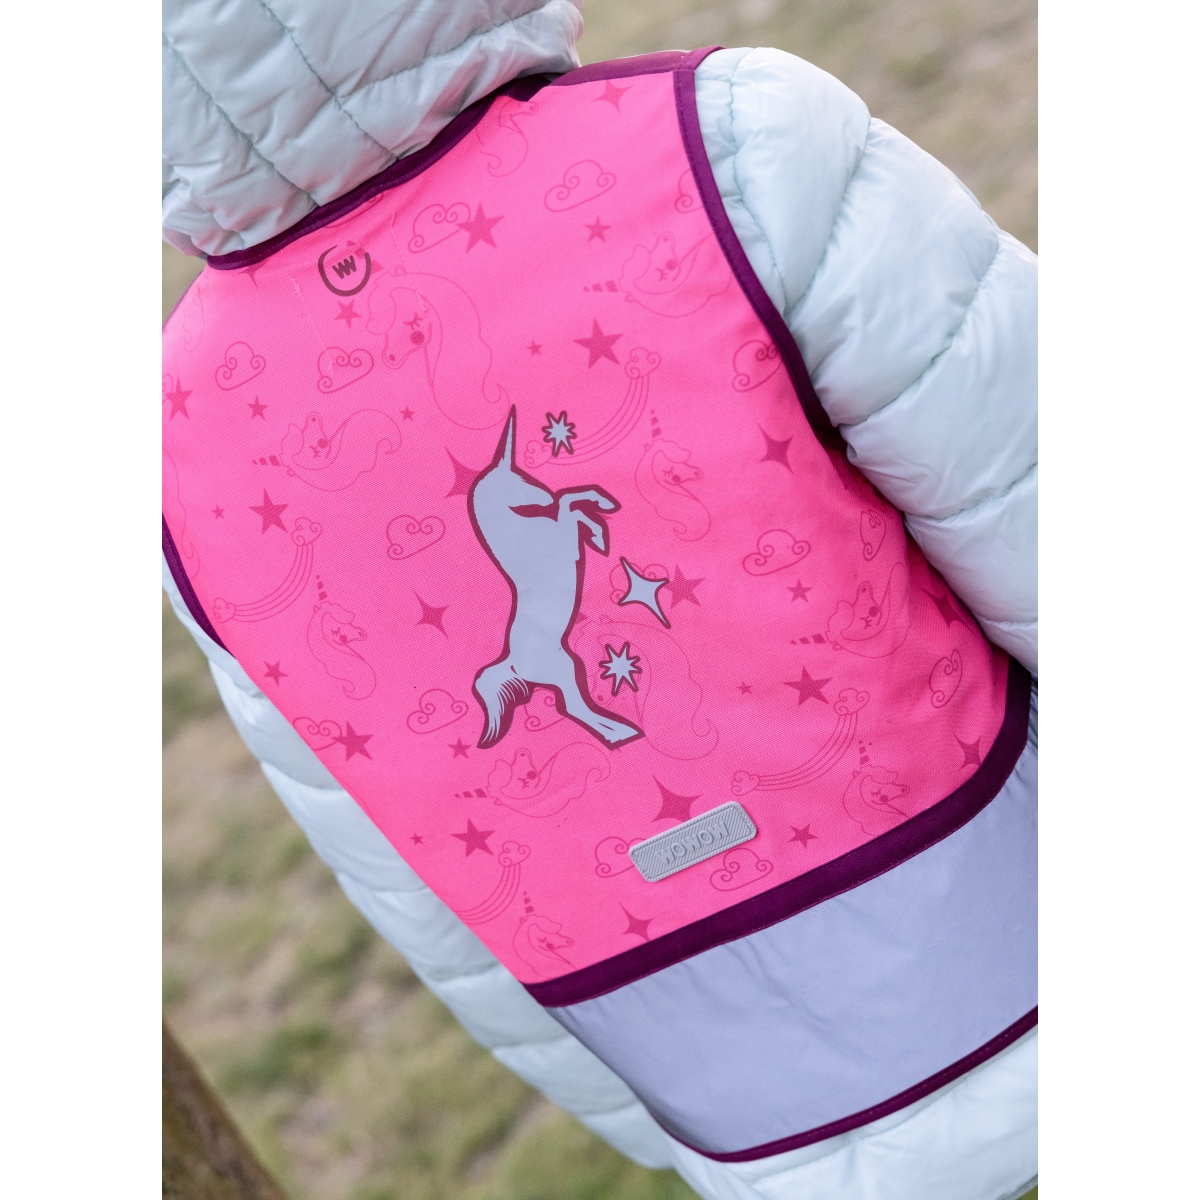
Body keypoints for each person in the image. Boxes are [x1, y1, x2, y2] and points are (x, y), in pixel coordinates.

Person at [162, 3, 1036, 1198]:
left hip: (767, 1116)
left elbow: (419, 886)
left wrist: (670, 1121)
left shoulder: (177, 453)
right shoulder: (725, 146)